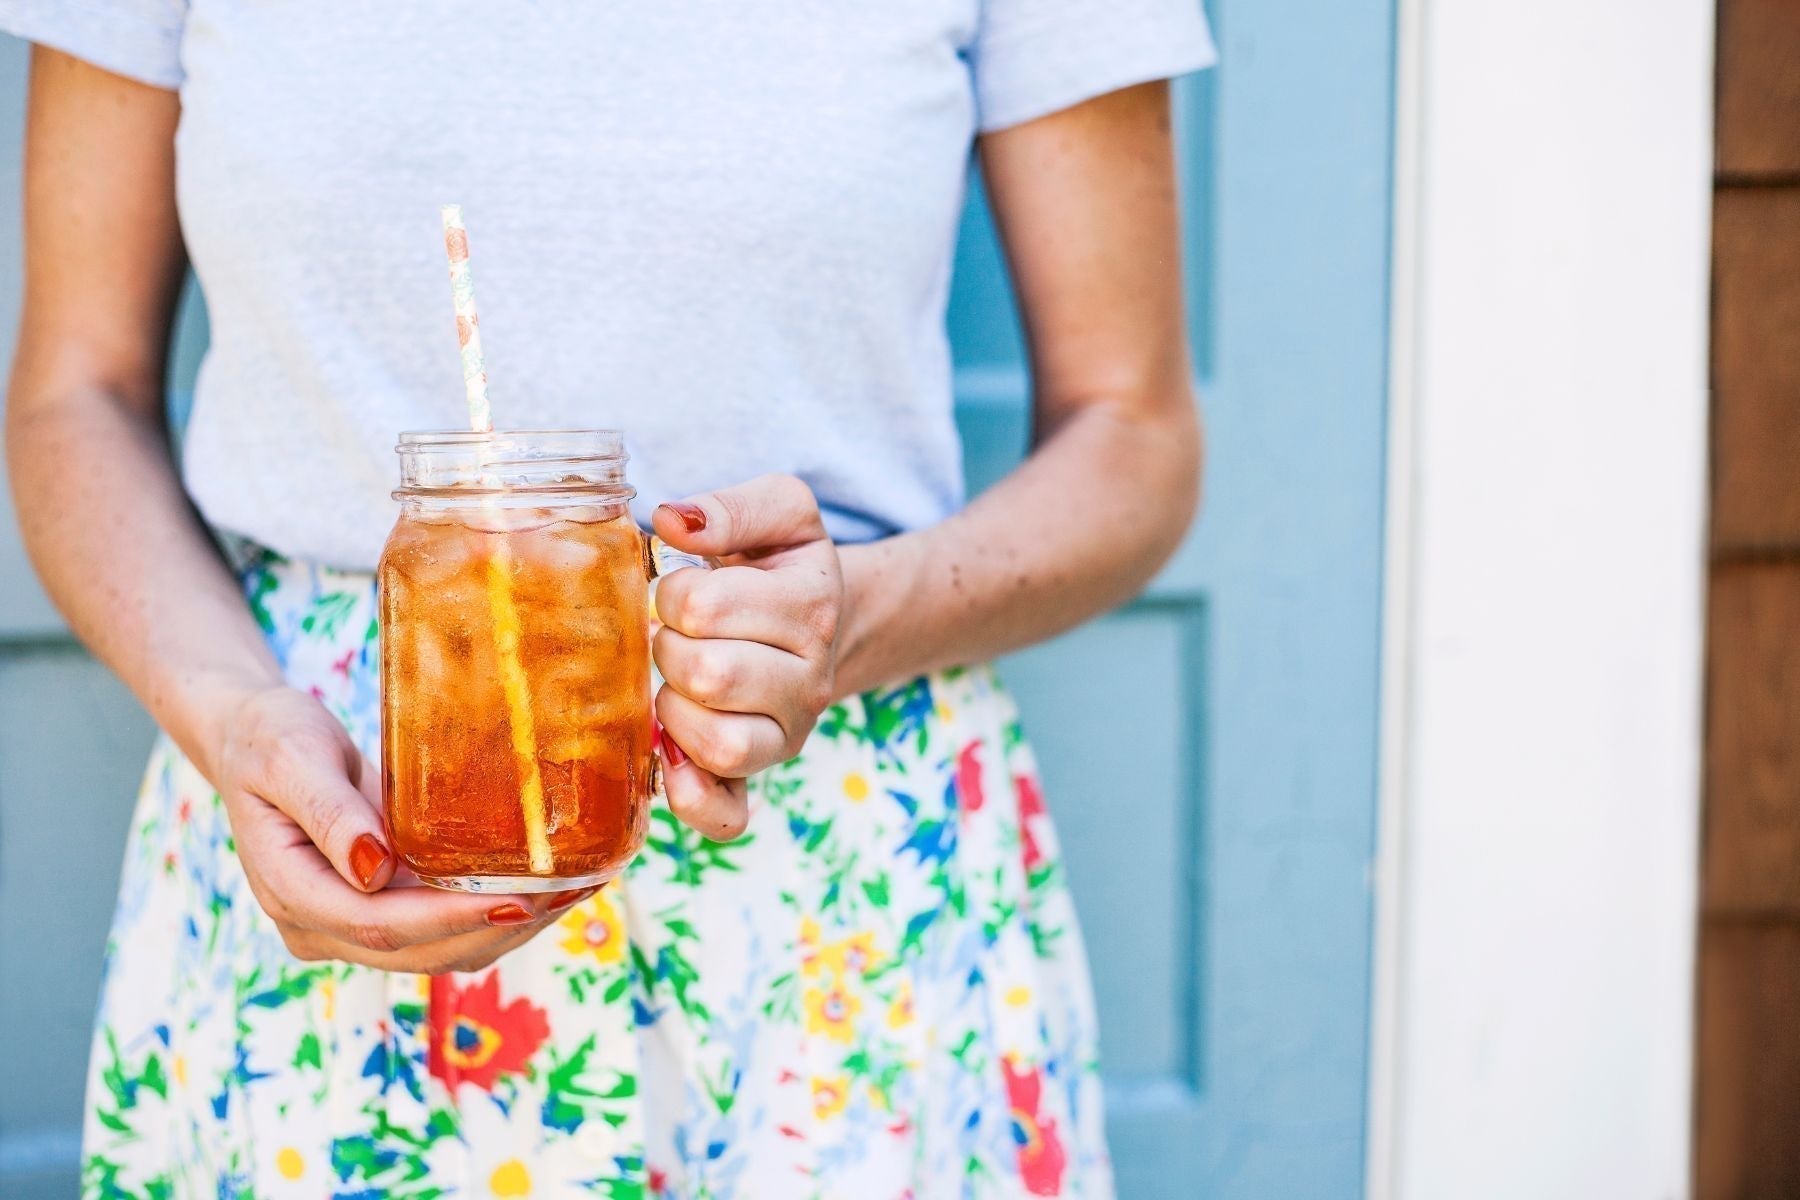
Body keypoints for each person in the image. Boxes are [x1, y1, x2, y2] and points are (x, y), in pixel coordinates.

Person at [0, 2, 1212, 1195]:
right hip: (332, 811)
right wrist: (230, 714)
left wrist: (854, 615)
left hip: (835, 861)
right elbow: (75, 391)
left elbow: (1136, 435)